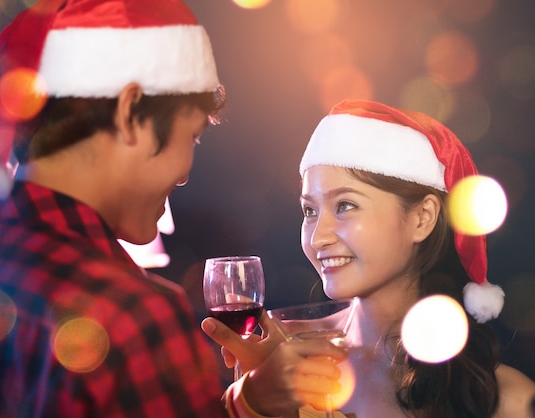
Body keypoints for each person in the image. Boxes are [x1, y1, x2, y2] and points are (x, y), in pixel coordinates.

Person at [0, 0, 346, 417]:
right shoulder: (131, 313)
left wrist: (247, 404)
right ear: (130, 112)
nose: (184, 174)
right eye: (191, 137)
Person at [202, 99, 535, 417]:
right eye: (309, 210)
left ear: (422, 218)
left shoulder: (506, 398)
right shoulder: (282, 359)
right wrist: (255, 402)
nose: (319, 237)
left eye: (345, 205)